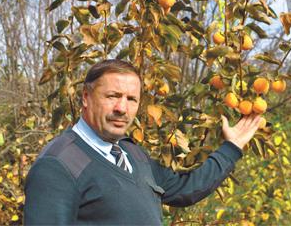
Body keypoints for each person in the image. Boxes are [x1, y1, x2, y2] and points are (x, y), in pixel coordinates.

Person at [24, 59, 261, 225]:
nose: (122, 108)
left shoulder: (130, 153)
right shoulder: (59, 164)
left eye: (131, 99)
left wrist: (232, 148)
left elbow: (185, 189)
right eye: (112, 96)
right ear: (86, 97)